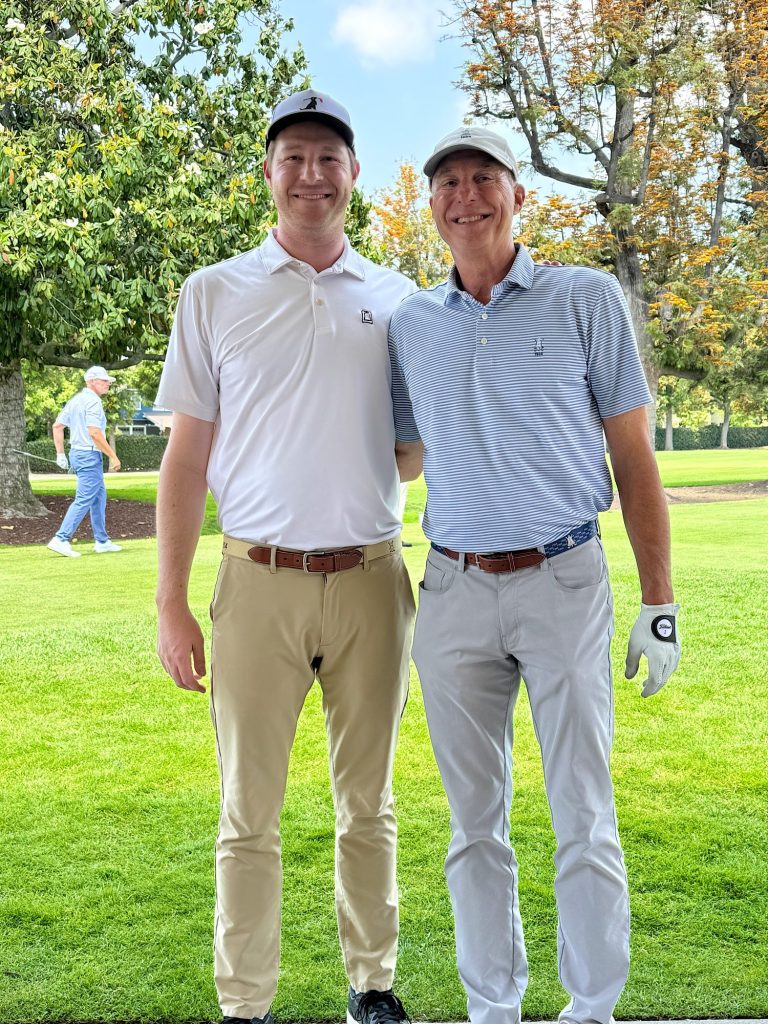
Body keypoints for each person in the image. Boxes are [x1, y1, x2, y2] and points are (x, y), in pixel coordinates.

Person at [388, 126, 682, 1024]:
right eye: (448, 181)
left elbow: (633, 455)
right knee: (473, 825)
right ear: (431, 205)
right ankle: (493, 1009)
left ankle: (591, 1008)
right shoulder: (410, 324)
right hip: (451, 589)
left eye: (484, 177)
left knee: (582, 812)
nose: (465, 195)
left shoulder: (586, 298)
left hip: (564, 581)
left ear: (519, 196)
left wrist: (660, 603)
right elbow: (401, 456)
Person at [155, 90, 417, 1024]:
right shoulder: (213, 291)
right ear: (267, 173)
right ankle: (246, 1003)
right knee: (247, 810)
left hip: (372, 581)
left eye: (329, 158)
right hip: (256, 581)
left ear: (354, 174)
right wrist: (170, 602)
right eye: (293, 157)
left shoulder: (399, 299)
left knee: (368, 804)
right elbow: (186, 457)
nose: (312, 175)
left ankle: (372, 986)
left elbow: (411, 448)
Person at [47, 365, 122, 558]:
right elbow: (94, 432)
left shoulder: (76, 400)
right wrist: (112, 456)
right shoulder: (93, 402)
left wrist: (61, 454)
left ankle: (102, 541)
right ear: (91, 382)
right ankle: (61, 538)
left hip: (78, 454)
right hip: (89, 456)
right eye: (104, 380)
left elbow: (57, 426)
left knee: (98, 497)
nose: (108, 383)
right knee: (84, 498)